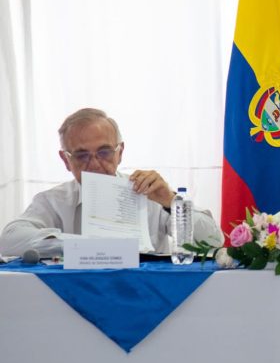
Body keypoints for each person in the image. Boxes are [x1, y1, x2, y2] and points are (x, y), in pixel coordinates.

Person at [0, 108, 223, 257]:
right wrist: (84, 246)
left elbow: (214, 240)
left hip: (151, 299)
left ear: (120, 152)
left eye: (104, 152)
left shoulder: (149, 193)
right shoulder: (54, 201)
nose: (95, 164)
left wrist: (170, 200)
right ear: (66, 160)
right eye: (81, 155)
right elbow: (9, 240)